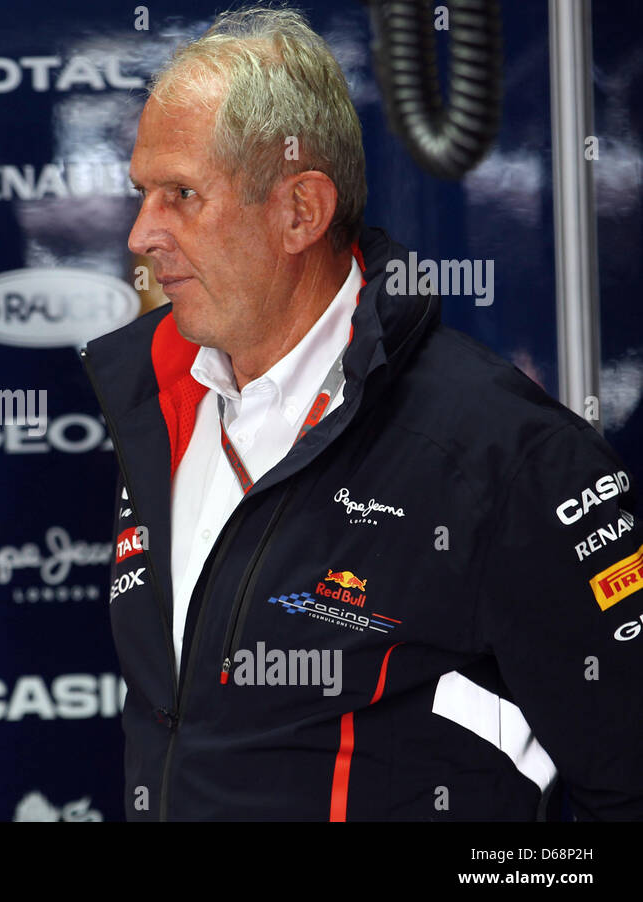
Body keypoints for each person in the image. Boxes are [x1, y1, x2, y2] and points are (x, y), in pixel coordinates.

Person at [83, 6, 643, 820]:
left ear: (300, 211)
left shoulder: (504, 455)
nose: (141, 234)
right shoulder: (155, 402)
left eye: (181, 195)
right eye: (143, 193)